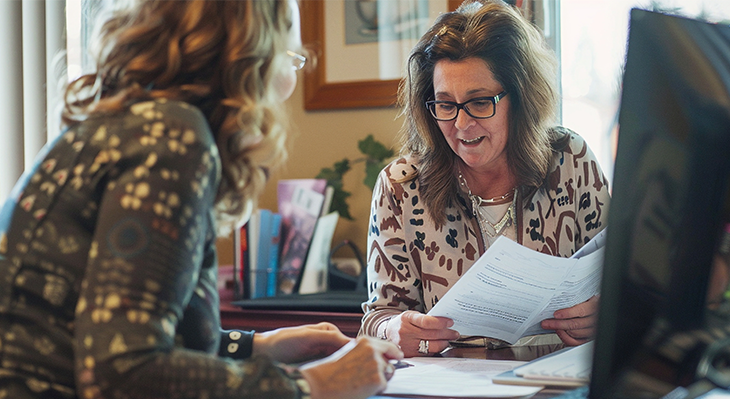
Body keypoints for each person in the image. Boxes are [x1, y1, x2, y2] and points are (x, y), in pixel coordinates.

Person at [0, 1, 403, 398]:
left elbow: (125, 327)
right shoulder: (172, 140)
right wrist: (312, 384)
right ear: (249, 59)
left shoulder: (121, 124)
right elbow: (121, 373)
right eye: (290, 57)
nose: (289, 84)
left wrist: (253, 347)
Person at [360, 0, 610, 357]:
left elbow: (625, 283)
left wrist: (603, 311)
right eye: (445, 104)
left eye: (479, 102)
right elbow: (378, 316)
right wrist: (390, 328)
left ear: (521, 98)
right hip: (451, 385)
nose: (461, 125)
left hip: (556, 377)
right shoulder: (401, 185)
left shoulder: (570, 159)